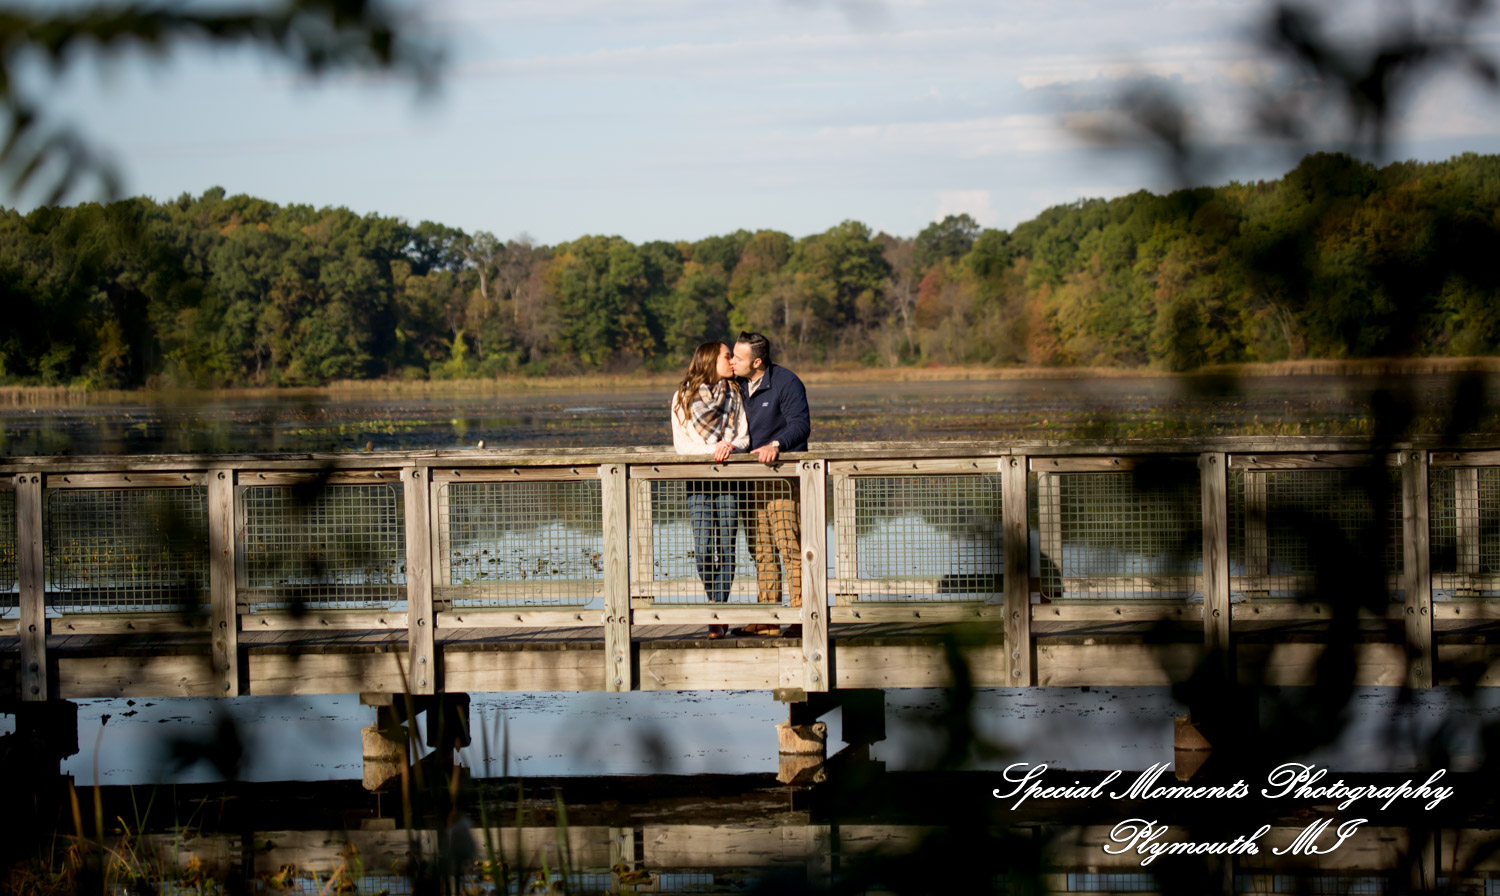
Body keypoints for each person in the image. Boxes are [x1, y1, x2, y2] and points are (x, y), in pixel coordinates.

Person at [729, 332, 810, 637]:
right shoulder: (734, 385)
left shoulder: (786, 382)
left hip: (781, 477)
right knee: (759, 549)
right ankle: (769, 618)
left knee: (790, 546)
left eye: (738, 356)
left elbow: (801, 425)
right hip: (749, 479)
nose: (732, 361)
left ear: (757, 361)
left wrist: (776, 443)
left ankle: (802, 617)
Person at [671, 342, 749, 639]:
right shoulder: (683, 396)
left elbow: (744, 437)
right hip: (698, 480)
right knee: (704, 548)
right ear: (709, 360)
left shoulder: (735, 394)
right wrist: (712, 448)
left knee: (727, 547)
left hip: (729, 479)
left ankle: (718, 611)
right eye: (727, 356)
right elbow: (682, 446)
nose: (732, 361)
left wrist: (730, 446)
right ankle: (712, 601)